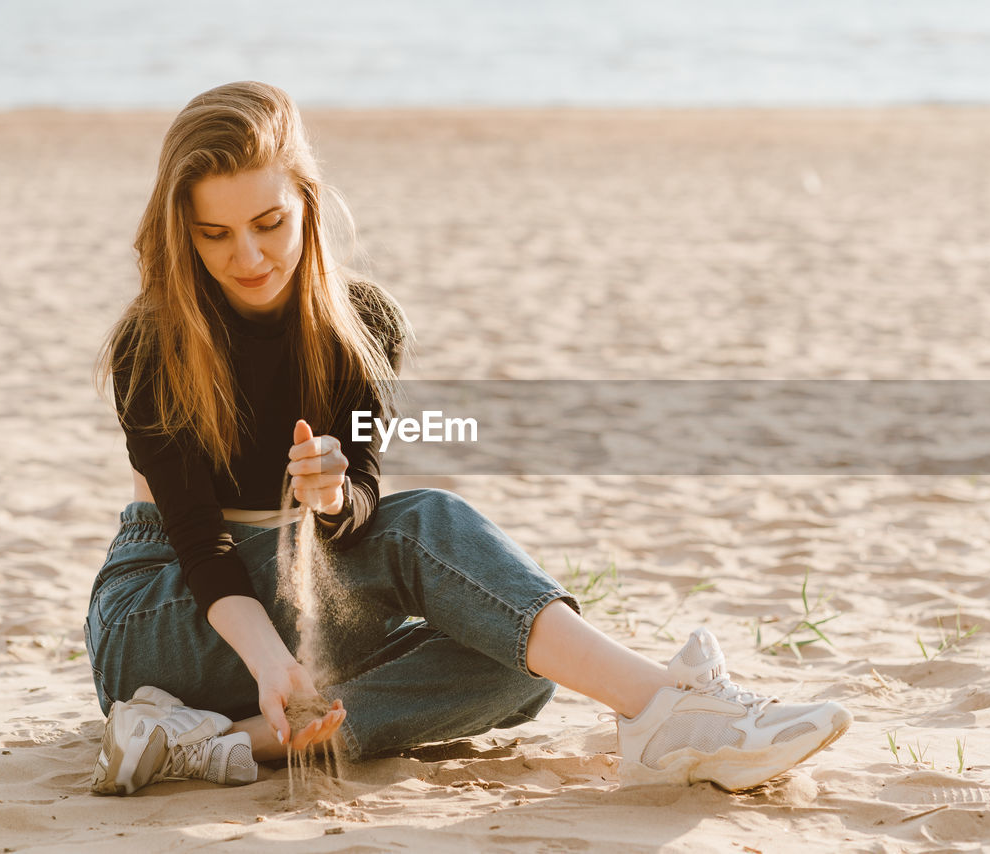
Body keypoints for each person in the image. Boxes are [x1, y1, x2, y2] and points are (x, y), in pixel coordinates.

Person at [85, 80, 851, 796]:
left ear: (307, 202)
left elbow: (358, 506)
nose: (246, 256)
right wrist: (274, 662)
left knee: (520, 664)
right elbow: (201, 544)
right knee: (424, 525)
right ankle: (664, 706)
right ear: (182, 231)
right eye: (214, 234)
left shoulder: (361, 324)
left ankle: (214, 743)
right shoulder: (154, 342)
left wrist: (330, 498)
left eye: (268, 223)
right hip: (165, 613)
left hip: (298, 597)